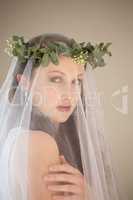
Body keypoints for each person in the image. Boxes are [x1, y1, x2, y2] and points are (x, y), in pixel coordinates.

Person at [0, 33, 122, 200]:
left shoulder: (33, 138)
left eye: (76, 81)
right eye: (56, 79)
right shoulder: (38, 143)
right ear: (25, 83)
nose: (70, 95)